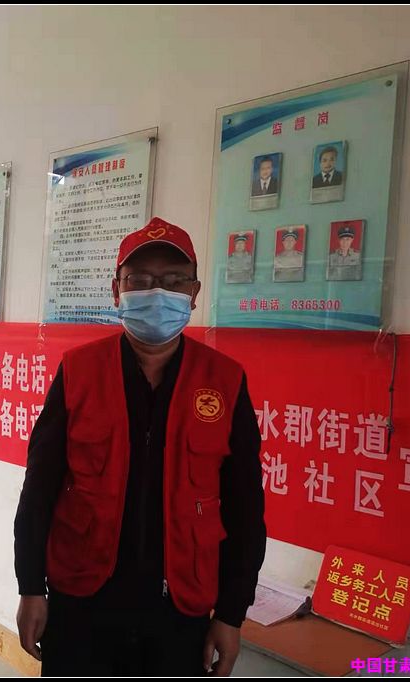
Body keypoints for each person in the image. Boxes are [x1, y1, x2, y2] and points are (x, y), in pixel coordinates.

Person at [14, 216, 266, 677]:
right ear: (117, 291)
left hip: (179, 611)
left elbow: (245, 508)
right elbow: (39, 489)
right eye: (141, 280)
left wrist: (231, 614)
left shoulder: (225, 381)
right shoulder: (79, 372)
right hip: (82, 602)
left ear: (194, 292)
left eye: (174, 281)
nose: (158, 292)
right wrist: (31, 586)